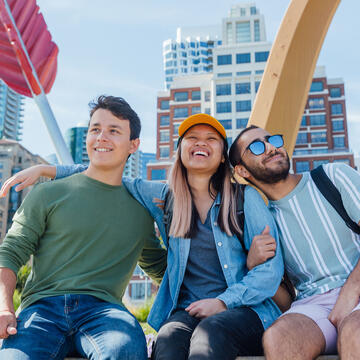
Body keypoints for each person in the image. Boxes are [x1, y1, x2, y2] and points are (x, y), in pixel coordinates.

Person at [4, 114, 286, 359]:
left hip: (244, 309)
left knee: (211, 334)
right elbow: (106, 170)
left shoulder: (244, 198)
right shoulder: (164, 197)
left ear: (223, 153)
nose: (201, 142)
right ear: (181, 151)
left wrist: (223, 302)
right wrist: (47, 170)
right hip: (188, 310)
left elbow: (270, 273)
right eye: (192, 137)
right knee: (166, 341)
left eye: (211, 138)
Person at [0, 95, 167, 360]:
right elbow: (9, 252)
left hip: (105, 313)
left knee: (125, 351)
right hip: (40, 310)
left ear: (133, 144)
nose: (101, 137)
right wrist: (4, 307)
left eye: (114, 131)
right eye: (95, 129)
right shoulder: (47, 194)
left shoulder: (140, 211)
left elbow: (162, 269)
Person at [229, 125, 360, 360]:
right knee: (279, 337)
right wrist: (256, 268)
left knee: (355, 332)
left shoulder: (334, 176)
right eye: (257, 146)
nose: (271, 147)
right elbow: (287, 303)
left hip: (357, 292)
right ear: (242, 171)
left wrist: (351, 290)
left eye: (273, 140)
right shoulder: (264, 223)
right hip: (314, 307)